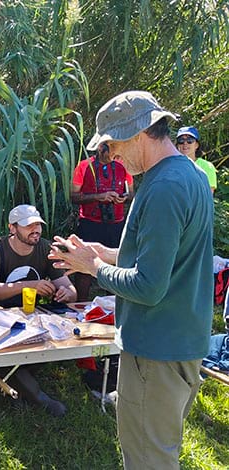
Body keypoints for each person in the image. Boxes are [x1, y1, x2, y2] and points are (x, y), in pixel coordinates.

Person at [51, 91, 213, 469]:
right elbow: (162, 260)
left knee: (147, 461)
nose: (111, 156)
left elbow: (148, 285)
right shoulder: (185, 175)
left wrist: (93, 268)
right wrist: (98, 253)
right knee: (158, 452)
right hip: (180, 342)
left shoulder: (163, 188)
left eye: (112, 145)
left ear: (138, 132)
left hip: (154, 350)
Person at [0, 204, 76, 416]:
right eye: (28, 226)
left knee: (58, 335)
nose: (36, 230)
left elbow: (70, 290)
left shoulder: (45, 248)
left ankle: (14, 378)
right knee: (8, 353)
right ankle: (39, 398)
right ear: (12, 228)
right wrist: (30, 285)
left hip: (33, 317)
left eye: (38, 225)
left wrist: (65, 294)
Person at [71, 142, 134, 300]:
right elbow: (74, 196)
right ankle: (81, 305)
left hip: (116, 224)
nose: (114, 154)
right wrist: (98, 197)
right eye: (110, 151)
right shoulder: (84, 166)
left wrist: (123, 198)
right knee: (83, 268)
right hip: (90, 224)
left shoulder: (122, 165)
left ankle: (113, 307)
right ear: (100, 149)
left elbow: (132, 194)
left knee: (116, 266)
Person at [175, 126, 217, 194]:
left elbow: (208, 195)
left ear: (196, 145)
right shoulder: (171, 165)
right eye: (181, 140)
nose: (185, 143)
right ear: (177, 145)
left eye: (190, 140)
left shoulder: (207, 166)